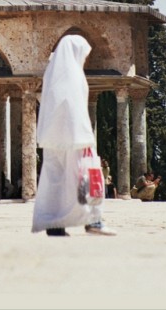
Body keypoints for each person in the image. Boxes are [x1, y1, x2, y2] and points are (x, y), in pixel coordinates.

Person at [31, 35, 116, 237]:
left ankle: (54, 224)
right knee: (86, 179)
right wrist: (87, 136)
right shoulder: (73, 75)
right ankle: (93, 220)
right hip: (75, 137)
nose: (84, 61)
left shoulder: (52, 75)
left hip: (53, 140)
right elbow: (75, 109)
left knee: (56, 182)